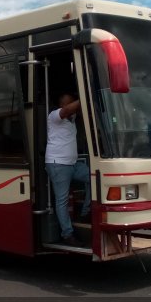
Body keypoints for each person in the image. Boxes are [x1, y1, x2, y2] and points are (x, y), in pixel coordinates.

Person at [45, 92, 91, 247]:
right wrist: (85, 96)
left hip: (72, 164)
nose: (68, 107)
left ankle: (86, 212)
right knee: (62, 201)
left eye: (70, 103)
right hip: (58, 164)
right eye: (66, 104)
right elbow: (66, 111)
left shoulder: (72, 120)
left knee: (94, 177)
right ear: (60, 105)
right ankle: (67, 234)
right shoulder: (54, 115)